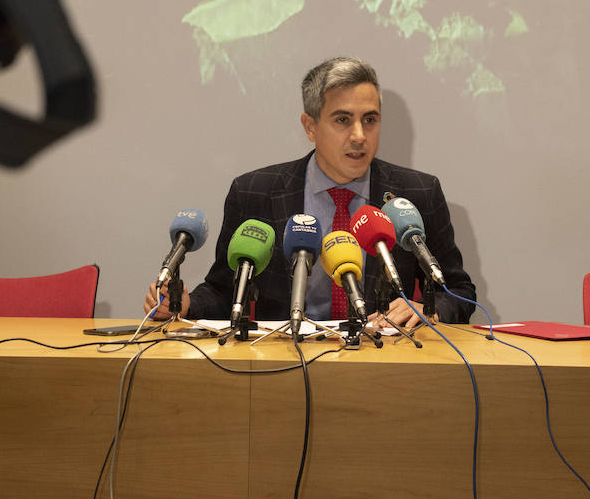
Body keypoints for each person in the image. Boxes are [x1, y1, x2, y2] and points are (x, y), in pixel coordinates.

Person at [143, 56, 477, 328]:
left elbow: (459, 292)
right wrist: (185, 304)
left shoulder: (416, 192)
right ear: (310, 126)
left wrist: (427, 309)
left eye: (370, 119)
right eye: (343, 120)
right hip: (285, 363)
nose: (360, 135)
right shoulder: (255, 192)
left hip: (383, 364)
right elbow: (224, 289)